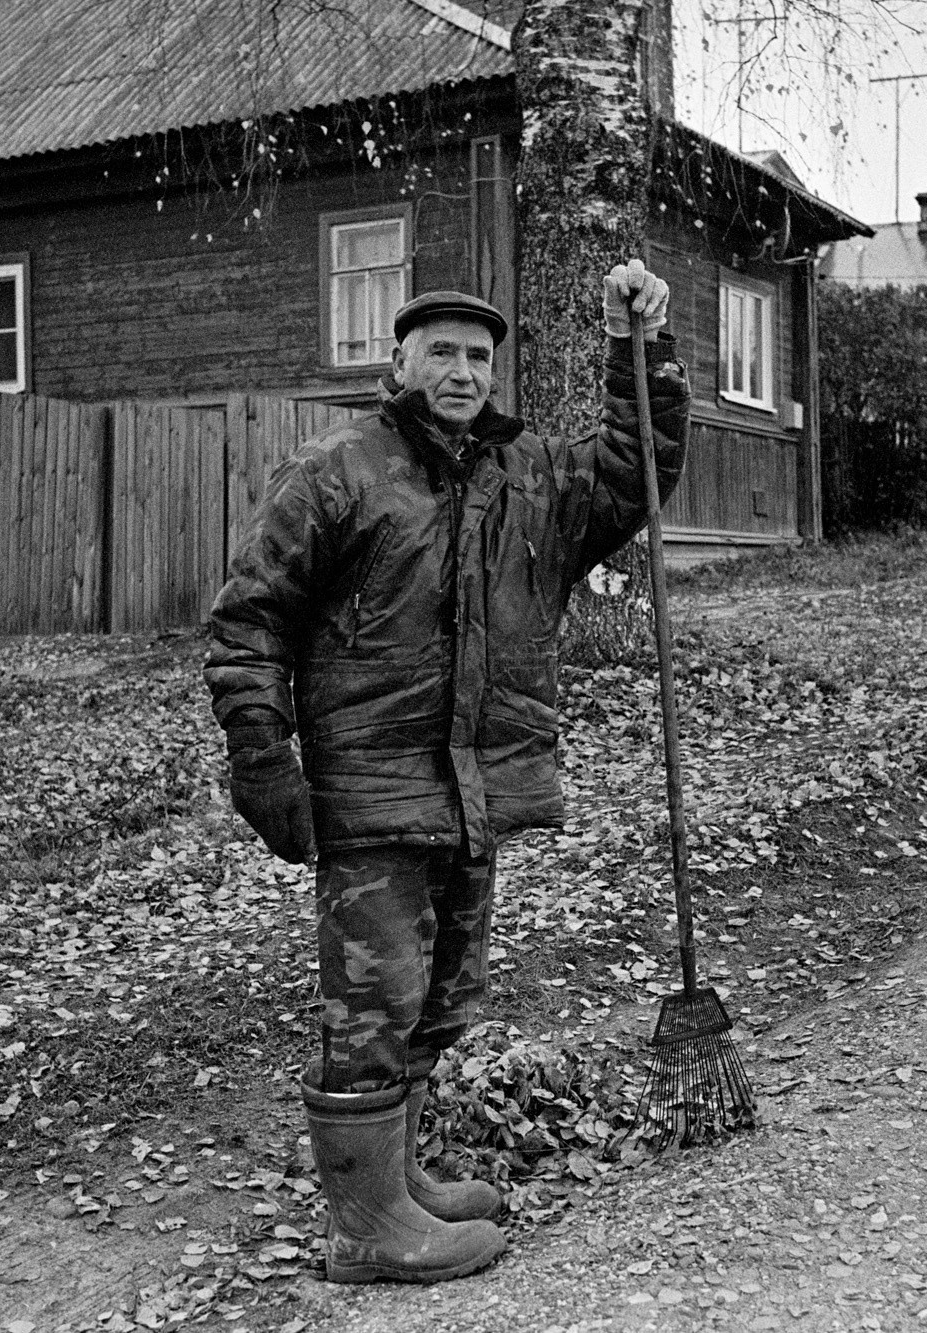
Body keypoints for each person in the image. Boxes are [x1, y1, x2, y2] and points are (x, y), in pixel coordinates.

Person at [203, 260, 687, 1284]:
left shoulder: (526, 478)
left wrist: (636, 348)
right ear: (400, 361)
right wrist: (261, 753)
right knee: (370, 1005)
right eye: (442, 353)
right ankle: (364, 1228)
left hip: (472, 788)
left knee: (437, 997)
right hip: (371, 793)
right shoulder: (336, 471)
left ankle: (397, 1183)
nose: (463, 371)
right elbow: (250, 619)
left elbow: (630, 471)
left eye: (478, 356)